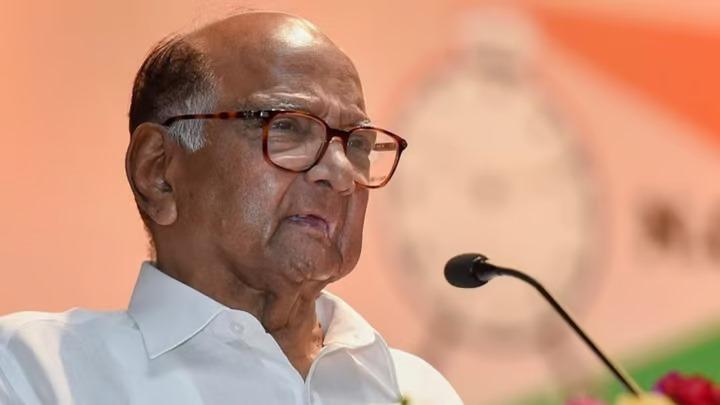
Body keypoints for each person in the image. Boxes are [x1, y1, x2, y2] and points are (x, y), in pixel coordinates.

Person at [0, 11, 461, 405]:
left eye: (357, 144)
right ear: (158, 171)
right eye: (287, 127)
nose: (341, 173)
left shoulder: (416, 387)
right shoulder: (38, 370)